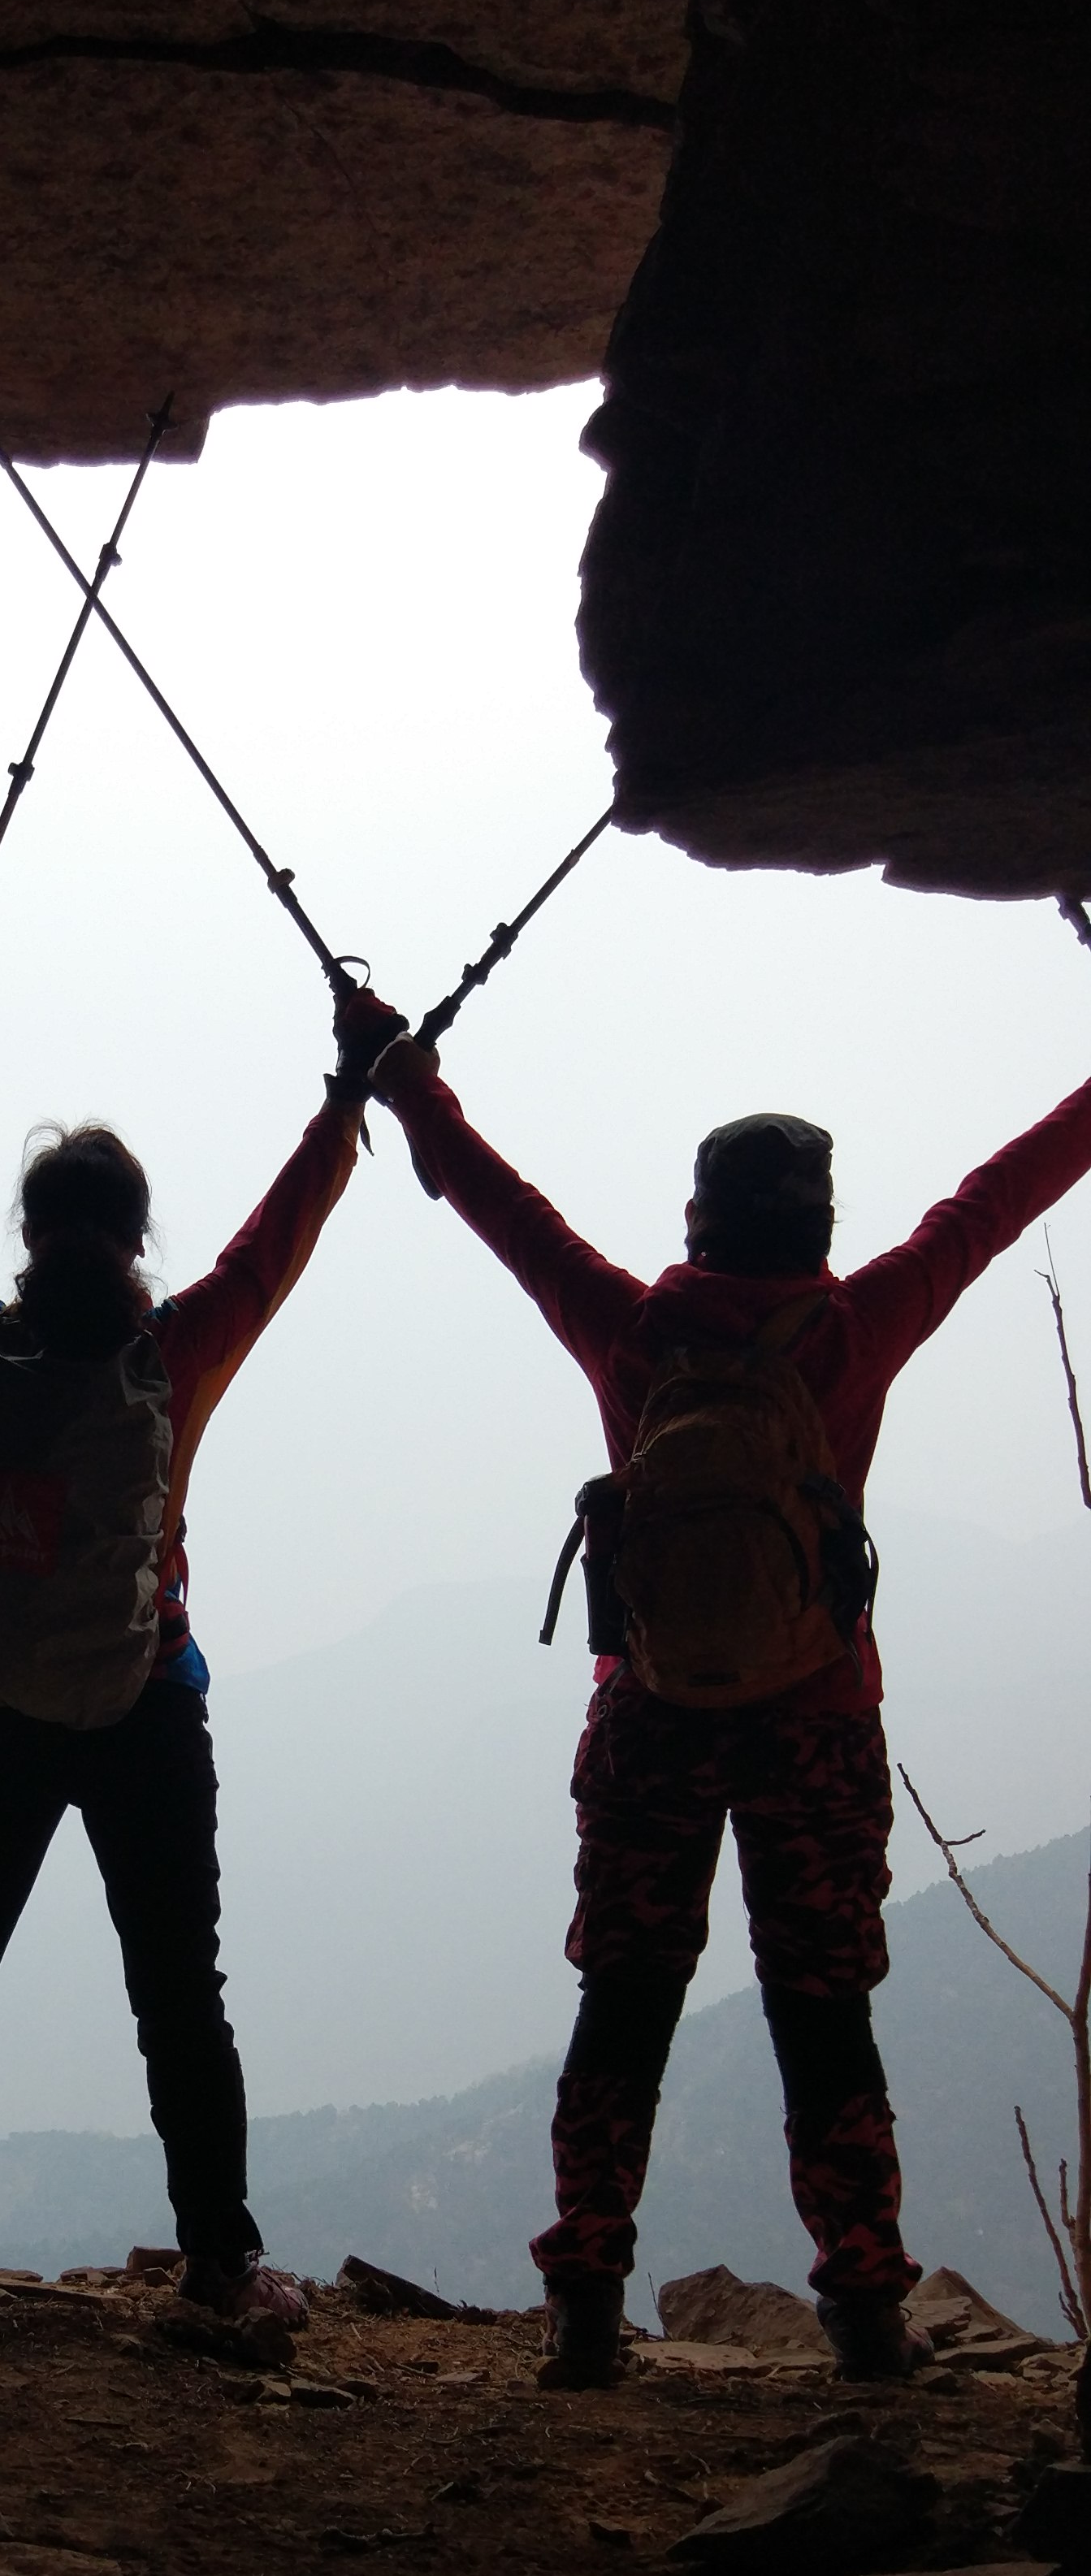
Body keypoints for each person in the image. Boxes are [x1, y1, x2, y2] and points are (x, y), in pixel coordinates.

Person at [356, 992, 1091, 2388]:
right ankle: (867, 2301)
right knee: (825, 2014)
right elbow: (989, 1207)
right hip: (817, 1724)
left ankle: (584, 2291)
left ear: (695, 1221)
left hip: (652, 1725)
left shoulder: (633, 1334)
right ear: (815, 1224)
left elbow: (506, 1212)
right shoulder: (852, 1332)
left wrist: (409, 1085)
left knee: (623, 2001)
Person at [0, 1005, 383, 2342]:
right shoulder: (169, 1354)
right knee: (178, 1996)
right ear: (140, 1239)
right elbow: (280, 1238)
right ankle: (218, 2262)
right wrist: (345, 1097)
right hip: (143, 1703)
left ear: (30, 1237)